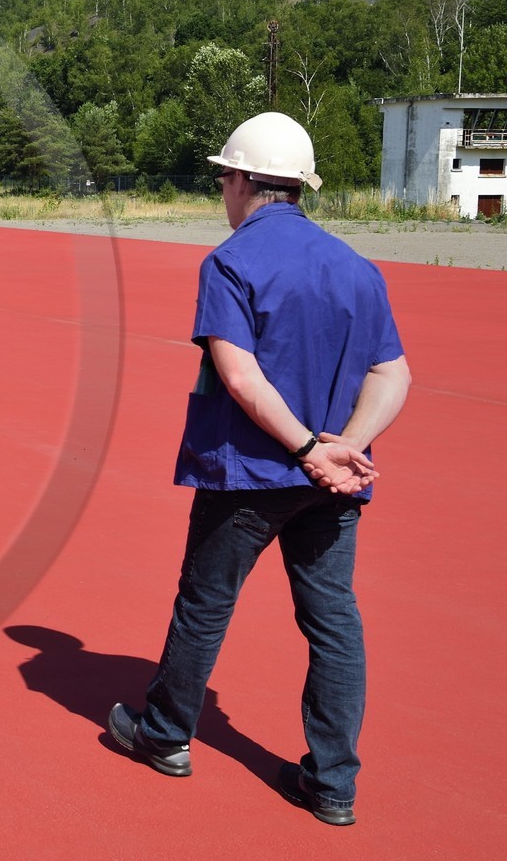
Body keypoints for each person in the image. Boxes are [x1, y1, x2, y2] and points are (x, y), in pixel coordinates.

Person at [107, 112, 411, 827]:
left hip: (247, 474)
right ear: (300, 185)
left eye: (225, 179)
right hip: (330, 485)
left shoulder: (231, 263)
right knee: (333, 622)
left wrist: (307, 449)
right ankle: (332, 783)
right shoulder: (356, 268)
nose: (223, 190)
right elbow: (393, 372)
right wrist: (344, 449)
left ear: (242, 180)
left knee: (205, 604)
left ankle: (165, 735)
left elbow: (240, 377)